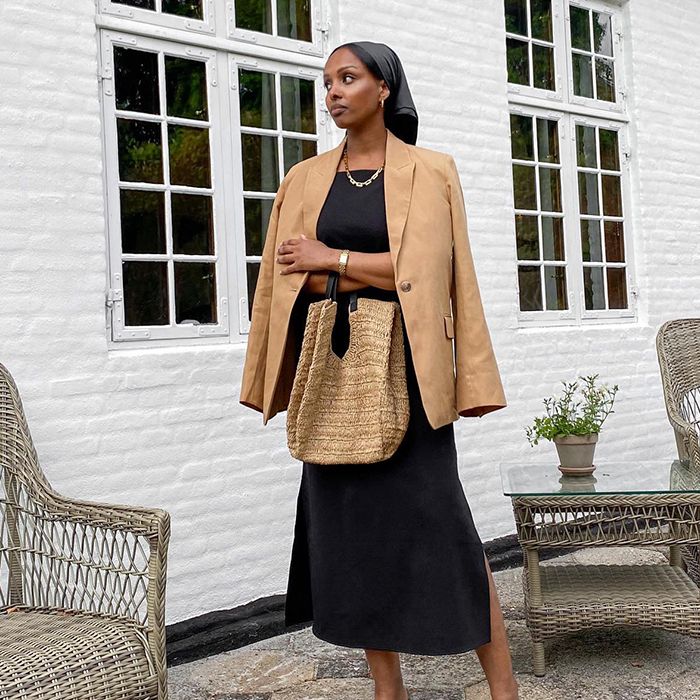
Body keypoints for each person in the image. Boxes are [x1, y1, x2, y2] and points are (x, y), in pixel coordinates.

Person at [239, 40, 519, 700]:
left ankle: (505, 689)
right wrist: (365, 270)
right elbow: (289, 278)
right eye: (328, 81)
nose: (333, 92)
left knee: (448, 530)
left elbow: (436, 273)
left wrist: (332, 259)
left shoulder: (432, 171)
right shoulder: (304, 179)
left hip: (413, 372)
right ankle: (387, 691)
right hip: (336, 371)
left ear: (384, 88)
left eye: (348, 78)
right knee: (356, 537)